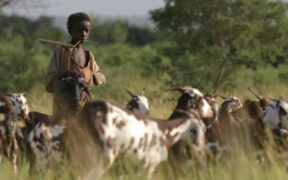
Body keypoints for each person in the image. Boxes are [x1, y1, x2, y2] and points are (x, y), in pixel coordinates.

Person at [45, 12, 106, 116]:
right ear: (70, 30)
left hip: (85, 108)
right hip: (63, 107)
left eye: (86, 31)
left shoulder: (88, 55)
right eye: (79, 30)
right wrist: (65, 74)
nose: (83, 34)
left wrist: (94, 77)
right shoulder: (61, 51)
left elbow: (100, 77)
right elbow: (49, 81)